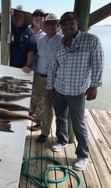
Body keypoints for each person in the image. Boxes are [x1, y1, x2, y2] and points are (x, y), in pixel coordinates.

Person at [46, 12, 104, 171]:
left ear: (77, 23)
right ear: (61, 27)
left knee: (78, 123)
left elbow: (98, 63)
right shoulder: (59, 44)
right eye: (64, 24)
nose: (67, 26)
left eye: (70, 23)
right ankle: (62, 140)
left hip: (78, 90)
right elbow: (53, 67)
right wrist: (50, 87)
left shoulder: (91, 40)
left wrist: (94, 85)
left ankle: (82, 155)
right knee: (60, 117)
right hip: (59, 88)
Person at [30, 13, 62, 143]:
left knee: (48, 106)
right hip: (37, 76)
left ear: (57, 25)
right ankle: (38, 123)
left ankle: (45, 132)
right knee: (37, 102)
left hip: (53, 78)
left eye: (53, 23)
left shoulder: (62, 39)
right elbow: (35, 57)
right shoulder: (40, 40)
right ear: (44, 25)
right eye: (48, 23)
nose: (50, 26)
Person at [0, 5, 36, 70]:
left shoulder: (29, 32)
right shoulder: (5, 28)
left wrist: (28, 65)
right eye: (15, 15)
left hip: (22, 69)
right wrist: (4, 12)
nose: (17, 18)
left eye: (20, 16)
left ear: (24, 18)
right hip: (5, 66)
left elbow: (31, 50)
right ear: (11, 17)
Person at [28, 9, 48, 131]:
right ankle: (25, 118)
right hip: (24, 71)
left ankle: (39, 123)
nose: (39, 18)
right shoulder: (26, 31)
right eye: (36, 15)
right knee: (27, 97)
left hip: (39, 72)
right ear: (32, 17)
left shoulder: (46, 35)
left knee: (40, 99)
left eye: (41, 16)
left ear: (44, 19)